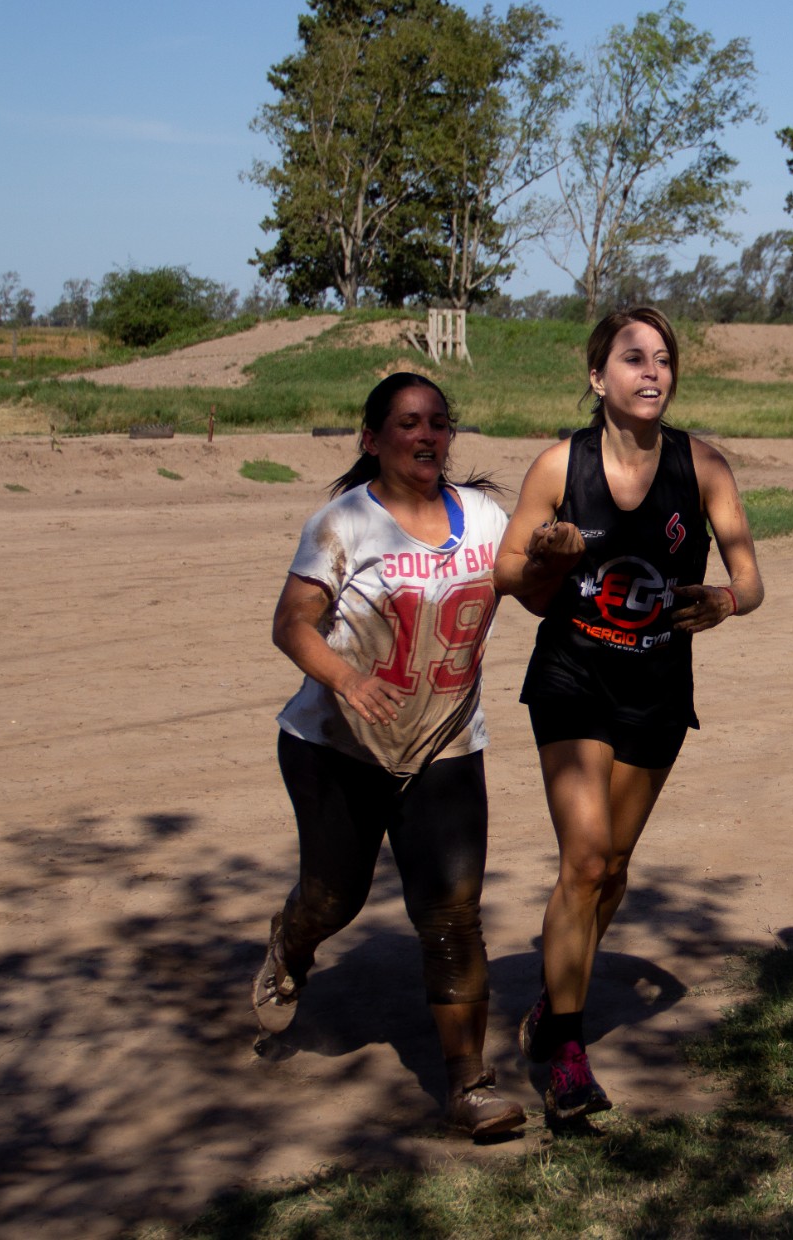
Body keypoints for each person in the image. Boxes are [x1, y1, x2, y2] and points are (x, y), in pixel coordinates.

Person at [493, 306, 763, 1126]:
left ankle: (551, 1002)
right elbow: (507, 570)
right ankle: (568, 1053)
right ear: (596, 377)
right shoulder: (558, 465)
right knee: (583, 860)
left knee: (611, 870)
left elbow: (749, 578)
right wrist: (544, 553)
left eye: (664, 359)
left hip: (655, 689)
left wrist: (723, 598)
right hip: (572, 677)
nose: (652, 372)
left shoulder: (705, 467)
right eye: (633, 358)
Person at [251, 371, 526, 1141]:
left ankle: (470, 1085)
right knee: (334, 898)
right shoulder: (344, 523)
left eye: (439, 422)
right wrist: (346, 676)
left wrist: (557, 557)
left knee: (452, 915)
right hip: (335, 746)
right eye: (408, 423)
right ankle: (293, 939)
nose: (427, 436)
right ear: (372, 439)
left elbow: (530, 588)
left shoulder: (483, 517)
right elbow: (291, 623)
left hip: (445, 747)